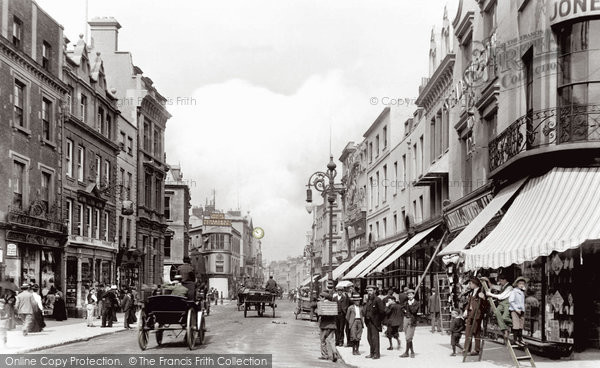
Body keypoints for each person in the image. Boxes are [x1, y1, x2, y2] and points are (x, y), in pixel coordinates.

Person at [463, 277, 488, 356]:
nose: (469, 285)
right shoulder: (471, 292)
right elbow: (469, 302)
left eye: (470, 283)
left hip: (477, 314)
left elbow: (485, 304)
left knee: (476, 332)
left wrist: (483, 298)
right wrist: (466, 310)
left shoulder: (481, 291)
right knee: (468, 332)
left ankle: (476, 349)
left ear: (474, 284)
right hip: (470, 314)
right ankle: (467, 349)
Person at [364, 284, 385, 359]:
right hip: (368, 321)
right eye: (368, 291)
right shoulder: (368, 300)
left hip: (374, 322)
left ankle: (376, 354)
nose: (369, 292)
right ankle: (371, 353)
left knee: (375, 338)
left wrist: (379, 321)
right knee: (369, 338)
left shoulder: (377, 300)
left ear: (374, 291)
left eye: (371, 291)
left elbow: (382, 311)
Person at [318, 291, 338, 362]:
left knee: (323, 340)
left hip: (325, 325)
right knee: (331, 340)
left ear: (324, 297)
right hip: (332, 325)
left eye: (321, 297)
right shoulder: (333, 304)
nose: (320, 299)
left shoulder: (322, 304)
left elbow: (319, 313)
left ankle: (325, 355)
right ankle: (334, 353)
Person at [400, 289, 419, 358]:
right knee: (408, 337)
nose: (410, 296)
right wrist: (405, 311)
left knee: (408, 337)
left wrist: (410, 305)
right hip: (405, 319)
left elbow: (414, 311)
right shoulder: (405, 302)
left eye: (411, 294)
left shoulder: (416, 303)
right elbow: (402, 308)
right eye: (408, 295)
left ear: (414, 295)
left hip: (412, 320)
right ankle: (412, 352)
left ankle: (406, 352)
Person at [509, 276, 528, 346]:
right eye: (520, 283)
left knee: (521, 325)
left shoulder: (522, 292)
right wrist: (516, 309)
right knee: (516, 325)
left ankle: (520, 339)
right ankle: (515, 339)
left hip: (521, 310)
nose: (521, 285)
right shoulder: (514, 291)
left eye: (523, 284)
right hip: (515, 310)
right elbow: (511, 301)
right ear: (517, 284)